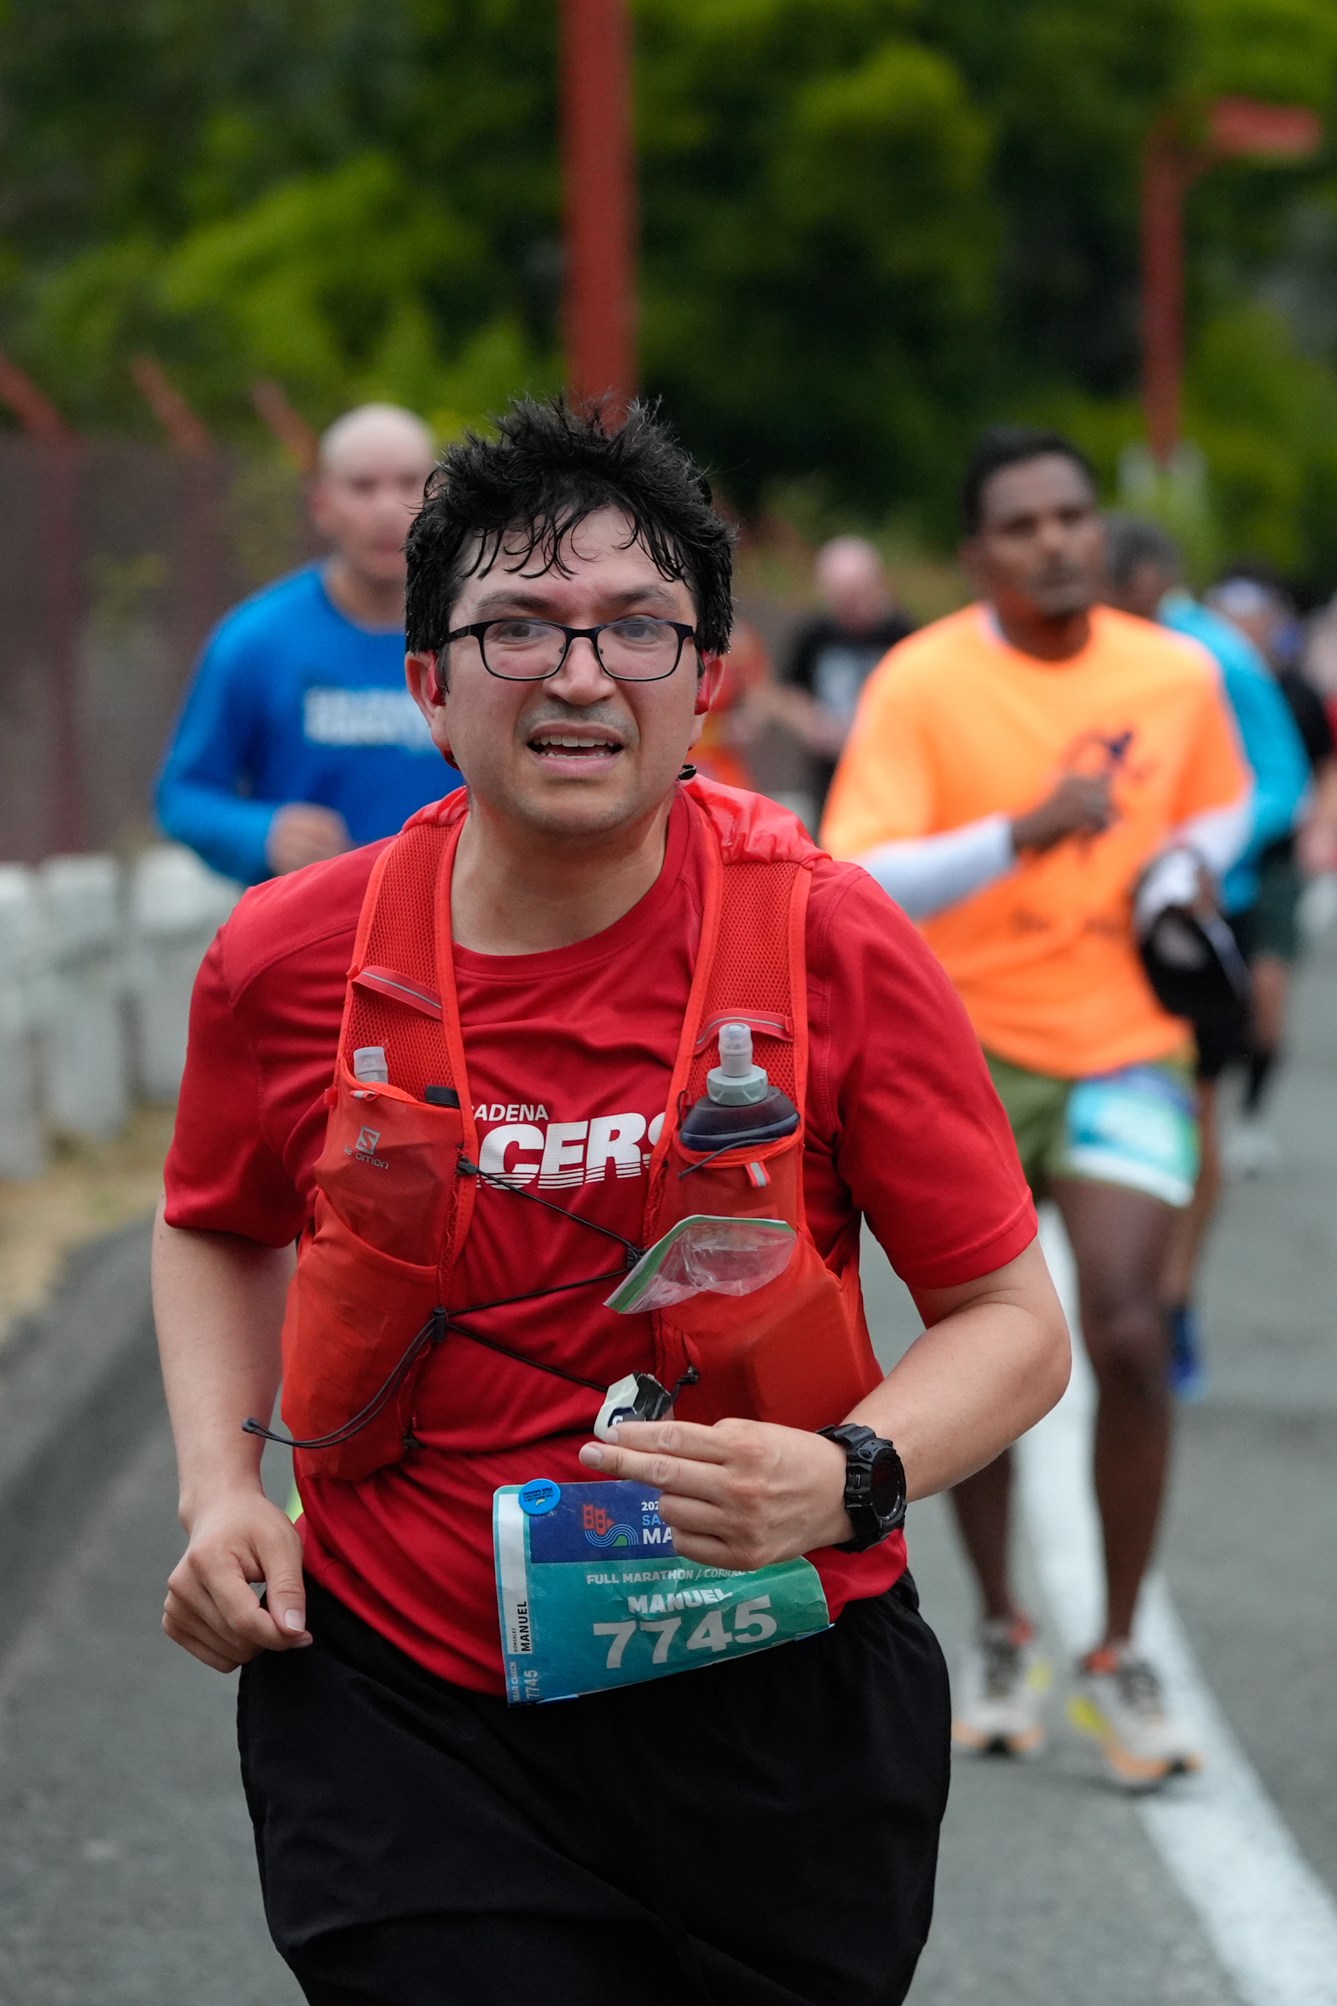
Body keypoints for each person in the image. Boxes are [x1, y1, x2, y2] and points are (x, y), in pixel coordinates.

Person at [152, 397, 1069, 2006]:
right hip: (405, 1710)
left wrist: (853, 1475)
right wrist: (222, 1493)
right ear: (428, 685)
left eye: (637, 629)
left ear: (707, 681)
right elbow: (215, 1220)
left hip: (778, 1703)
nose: (579, 675)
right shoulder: (287, 960)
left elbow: (1012, 1322)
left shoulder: (837, 943)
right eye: (517, 628)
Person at [822, 426, 1251, 1787]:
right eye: (1021, 524)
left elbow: (1224, 806)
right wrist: (1022, 831)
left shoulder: (1173, 672)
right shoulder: (921, 680)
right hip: (961, 1044)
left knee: (1127, 1326)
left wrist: (1179, 869)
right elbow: (859, 879)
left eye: (1073, 514)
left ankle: (1116, 1652)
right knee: (977, 1346)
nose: (1056, 539)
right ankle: (1004, 1627)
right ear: (973, 555)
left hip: (1122, 1036)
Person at [1102, 518, 1310, 1399]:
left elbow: (1282, 781)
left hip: (1215, 900)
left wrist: (1195, 855)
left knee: (1194, 1106)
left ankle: (1175, 1296)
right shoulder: (1114, 652)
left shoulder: (1210, 654)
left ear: (1148, 580)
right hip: (1116, 913)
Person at [156, 403, 461, 883]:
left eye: (408, 484)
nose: (387, 508)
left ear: (440, 499)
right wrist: (261, 833)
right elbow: (183, 796)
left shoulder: (485, 634)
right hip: (313, 935)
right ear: (322, 504)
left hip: (465, 932)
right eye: (363, 487)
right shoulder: (256, 641)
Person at [1206, 567, 1337, 1171]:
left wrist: (1320, 829)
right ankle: (1199, 1111)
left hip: (1276, 865)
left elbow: (1323, 766)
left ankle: (1250, 1118)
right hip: (1207, 867)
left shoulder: (1294, 691)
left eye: (1252, 610)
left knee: (1266, 998)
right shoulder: (1193, 678)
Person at [770, 536, 913, 813]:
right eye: (840, 598)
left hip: (889, 771)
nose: (850, 608)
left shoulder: (901, 633)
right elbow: (786, 692)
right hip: (829, 777)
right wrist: (812, 723)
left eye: (857, 595)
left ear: (876, 585)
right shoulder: (813, 634)